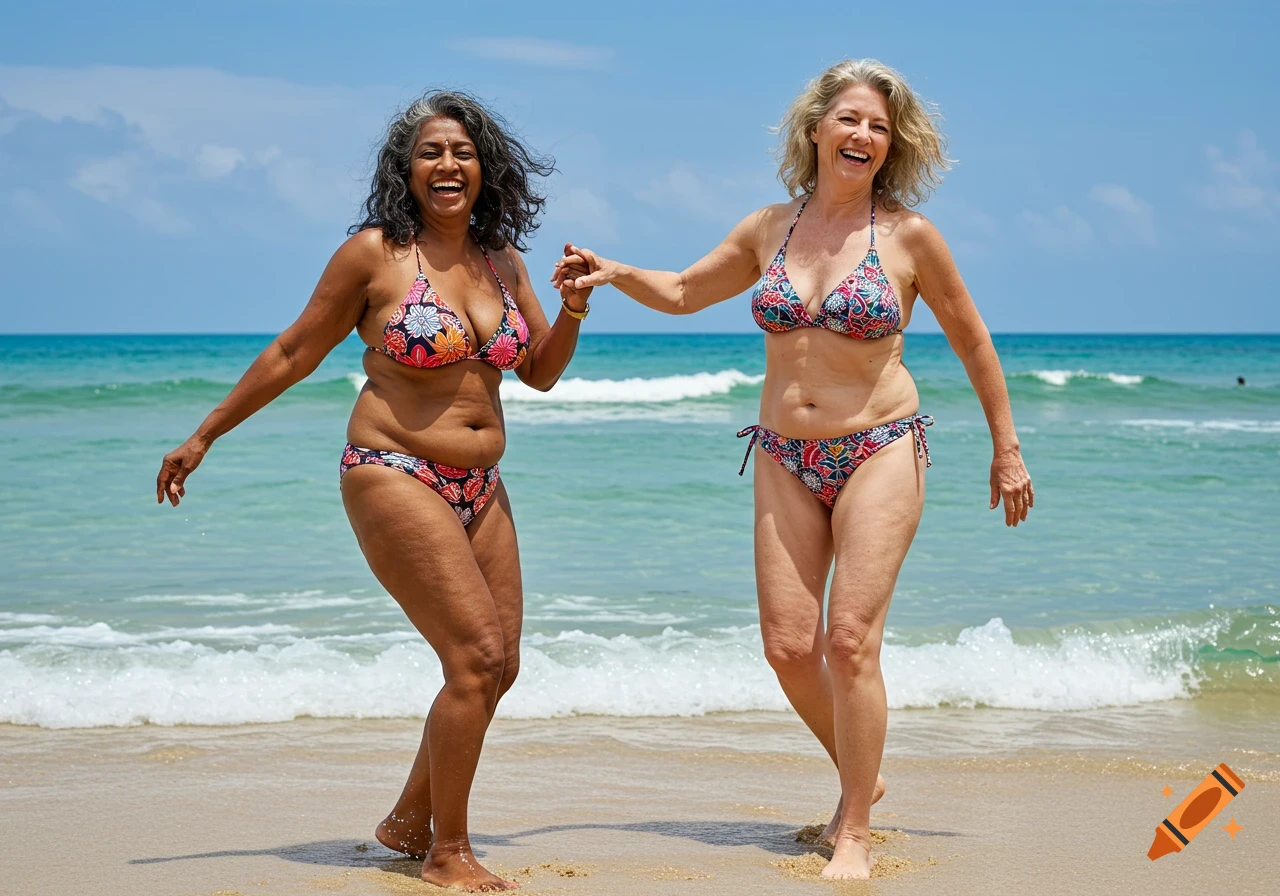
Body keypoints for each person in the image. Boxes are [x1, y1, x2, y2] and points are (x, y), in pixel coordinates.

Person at [553, 59, 1033, 879]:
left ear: (892, 146)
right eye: (850, 119)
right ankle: (862, 774)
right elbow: (683, 291)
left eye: (879, 126)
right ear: (815, 129)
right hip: (782, 452)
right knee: (786, 647)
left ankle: (855, 831)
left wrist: (1008, 448)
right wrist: (617, 272)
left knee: (849, 641)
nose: (863, 135)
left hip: (879, 444)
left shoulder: (909, 237)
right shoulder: (768, 227)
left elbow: (972, 339)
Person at [158, 90, 592, 892]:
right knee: (475, 658)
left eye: (462, 152)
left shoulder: (502, 260)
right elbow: (293, 351)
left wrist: (571, 310)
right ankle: (447, 852)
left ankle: (407, 822)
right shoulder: (374, 254)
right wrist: (204, 434)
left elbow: (539, 372)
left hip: (481, 484)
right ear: (406, 169)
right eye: (430, 152)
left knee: (500, 667)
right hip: (393, 470)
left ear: (486, 168)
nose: (448, 165)